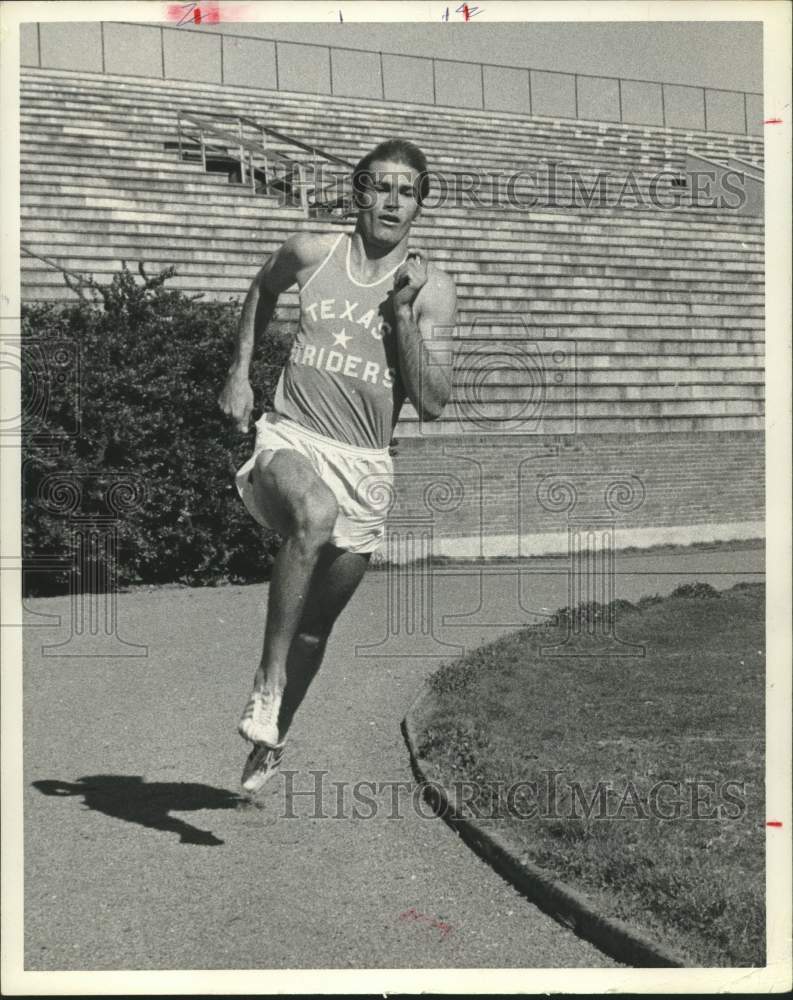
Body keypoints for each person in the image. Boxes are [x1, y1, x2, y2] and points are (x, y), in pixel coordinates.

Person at [218, 139, 457, 795]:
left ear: (418, 206)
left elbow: (433, 401)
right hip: (291, 436)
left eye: (406, 192)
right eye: (380, 187)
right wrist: (238, 374)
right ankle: (265, 683)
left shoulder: (432, 290)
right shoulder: (311, 253)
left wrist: (401, 313)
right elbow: (260, 288)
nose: (391, 201)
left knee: (317, 630)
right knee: (312, 514)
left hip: (366, 463)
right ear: (358, 193)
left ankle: (271, 739)